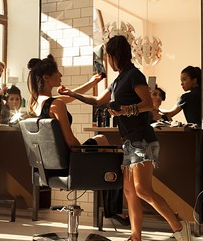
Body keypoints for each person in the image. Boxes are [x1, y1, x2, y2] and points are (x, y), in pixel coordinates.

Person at [59, 35, 192, 241]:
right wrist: (71, 93)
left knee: (142, 190)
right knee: (129, 191)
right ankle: (135, 239)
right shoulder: (118, 80)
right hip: (130, 141)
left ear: (114, 55)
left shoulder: (134, 75)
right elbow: (97, 101)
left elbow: (148, 104)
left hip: (142, 139)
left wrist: (124, 111)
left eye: (109, 56)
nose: (108, 61)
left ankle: (179, 227)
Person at [27, 54, 128, 226]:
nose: (61, 76)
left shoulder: (36, 103)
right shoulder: (56, 105)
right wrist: (86, 152)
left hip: (49, 166)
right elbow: (71, 142)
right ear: (46, 77)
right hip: (70, 162)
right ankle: (113, 210)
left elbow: (71, 96)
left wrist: (92, 82)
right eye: (58, 72)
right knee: (107, 145)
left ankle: (112, 210)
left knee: (101, 141)